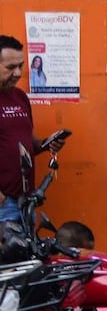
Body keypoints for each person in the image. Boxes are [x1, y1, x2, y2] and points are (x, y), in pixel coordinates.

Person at [0, 35, 68, 222]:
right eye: (10, 67)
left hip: (25, 201)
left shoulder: (20, 97)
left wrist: (47, 144)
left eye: (20, 66)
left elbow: (28, 144)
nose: (17, 73)